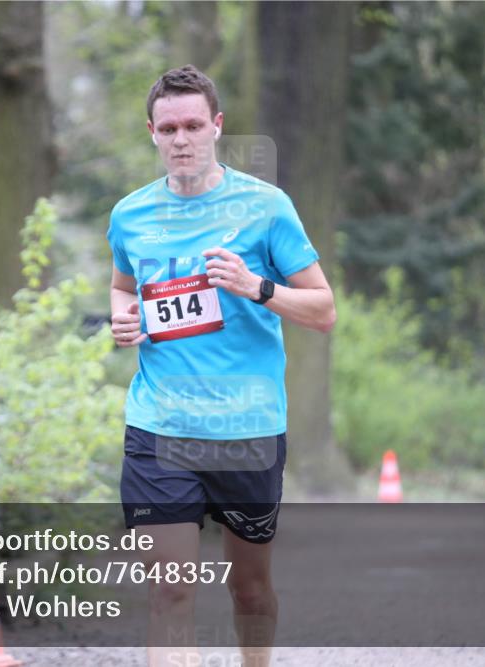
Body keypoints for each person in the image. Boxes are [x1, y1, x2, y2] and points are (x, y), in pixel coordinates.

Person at [106, 64, 336, 667]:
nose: (181, 139)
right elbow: (122, 286)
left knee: (249, 588)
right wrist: (123, 318)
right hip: (160, 429)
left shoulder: (266, 208)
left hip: (248, 431)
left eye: (192, 125)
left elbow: (323, 310)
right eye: (168, 128)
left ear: (217, 127)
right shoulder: (129, 215)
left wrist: (256, 287)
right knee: (171, 588)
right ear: (151, 133)